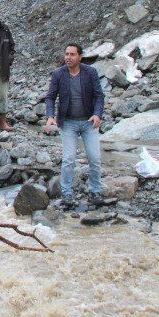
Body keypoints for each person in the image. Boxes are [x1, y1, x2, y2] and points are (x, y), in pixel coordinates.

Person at [44, 43, 105, 208]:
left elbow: (99, 96)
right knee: (69, 159)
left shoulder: (90, 72)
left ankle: (95, 190)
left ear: (80, 57)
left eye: (72, 54)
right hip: (68, 122)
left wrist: (98, 115)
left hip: (88, 122)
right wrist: (50, 116)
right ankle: (67, 193)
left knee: (95, 158)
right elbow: (50, 97)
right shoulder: (59, 74)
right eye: (66, 54)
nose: (68, 57)